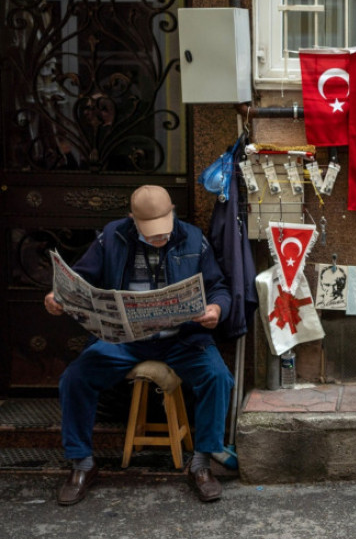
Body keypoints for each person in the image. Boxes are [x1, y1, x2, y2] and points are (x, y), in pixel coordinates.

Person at [44, 185, 234, 505]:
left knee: (217, 377)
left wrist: (216, 309)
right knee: (75, 379)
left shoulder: (192, 238)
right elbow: (80, 279)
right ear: (132, 219)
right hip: (124, 341)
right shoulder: (112, 237)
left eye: (163, 229)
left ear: (172, 210)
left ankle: (201, 463)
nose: (159, 238)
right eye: (150, 232)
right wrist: (58, 297)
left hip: (182, 338)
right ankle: (82, 464)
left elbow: (219, 288)